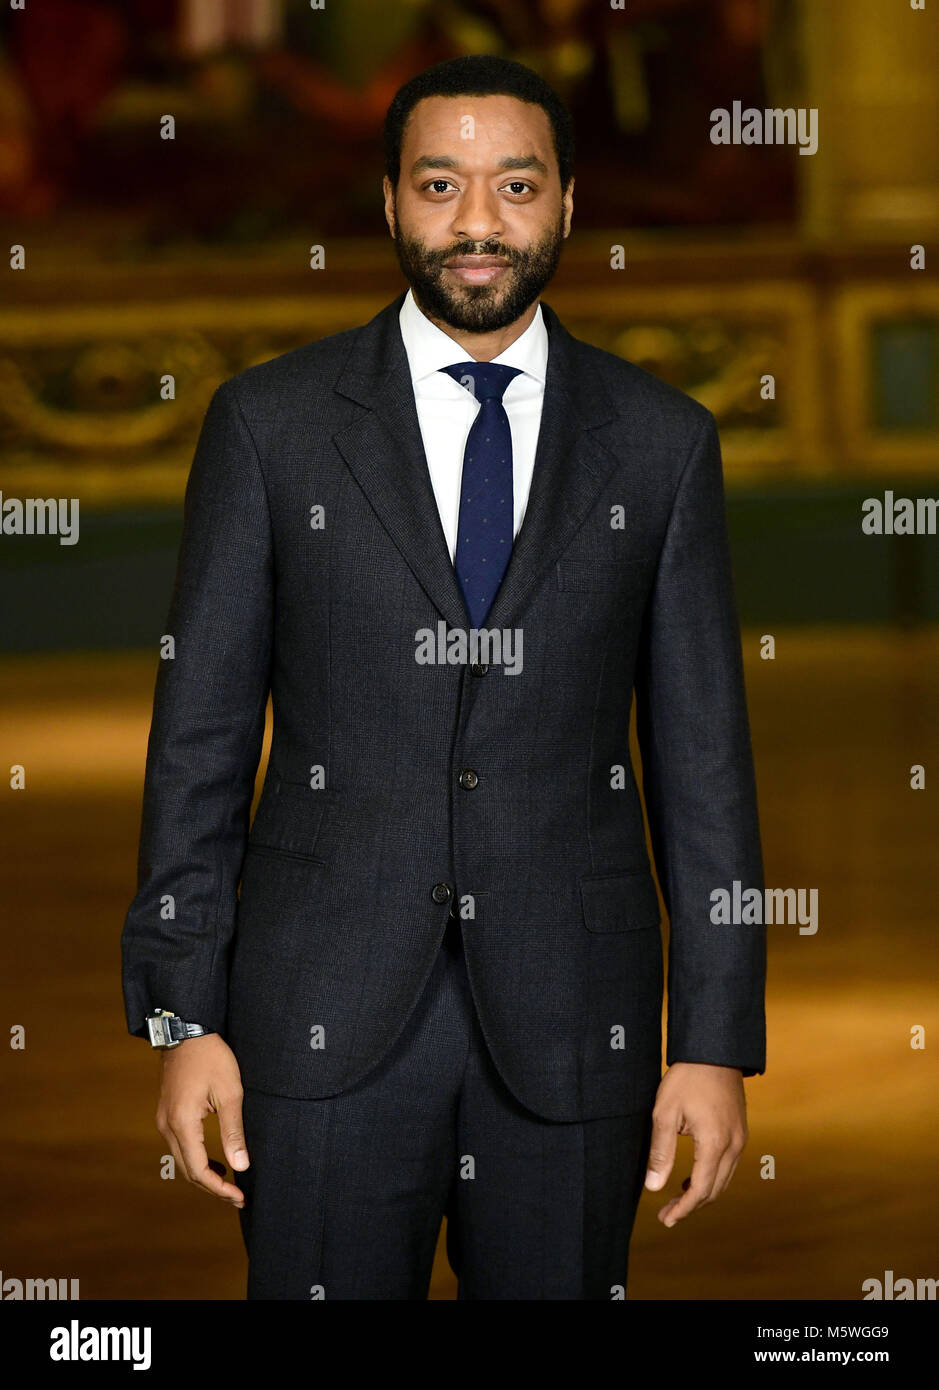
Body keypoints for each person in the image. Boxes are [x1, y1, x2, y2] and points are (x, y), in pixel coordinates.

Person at [121, 53, 765, 1301]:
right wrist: (179, 1015)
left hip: (582, 1027)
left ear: (570, 203)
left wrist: (717, 1041)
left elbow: (705, 764)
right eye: (440, 184)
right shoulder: (270, 427)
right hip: (316, 1025)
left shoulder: (663, 442)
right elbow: (196, 743)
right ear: (389, 202)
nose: (478, 223)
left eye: (516, 185)